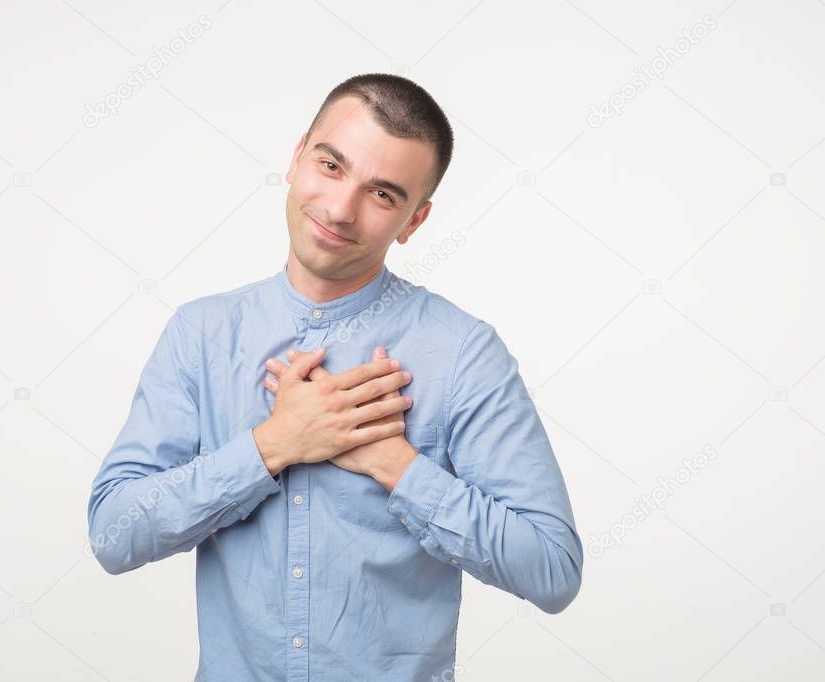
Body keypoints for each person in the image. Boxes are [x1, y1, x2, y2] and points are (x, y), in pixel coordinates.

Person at [87, 73, 583, 681]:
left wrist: (393, 465)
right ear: (297, 158)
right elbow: (114, 534)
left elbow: (552, 569)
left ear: (414, 221)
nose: (340, 209)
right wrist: (274, 447)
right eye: (330, 165)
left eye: (382, 195)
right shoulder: (201, 335)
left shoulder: (461, 354)